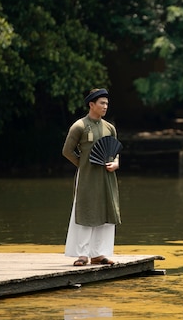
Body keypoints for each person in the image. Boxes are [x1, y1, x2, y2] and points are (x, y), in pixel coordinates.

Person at [62, 88, 121, 266]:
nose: (105, 106)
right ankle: (82, 254)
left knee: (105, 211)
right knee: (86, 211)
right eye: (102, 103)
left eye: (107, 103)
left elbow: (115, 151)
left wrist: (116, 163)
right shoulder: (79, 126)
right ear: (91, 104)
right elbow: (67, 151)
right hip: (87, 177)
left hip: (107, 177)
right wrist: (83, 164)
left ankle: (99, 254)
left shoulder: (109, 127)